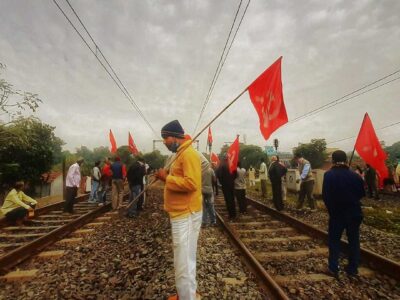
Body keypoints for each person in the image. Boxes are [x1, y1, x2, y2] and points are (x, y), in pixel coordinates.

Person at [154, 120, 202, 300]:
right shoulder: (180, 153)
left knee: (183, 261)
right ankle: (186, 294)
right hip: (181, 212)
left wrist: (166, 178)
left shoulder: (188, 154)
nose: (165, 142)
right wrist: (165, 177)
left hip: (186, 214)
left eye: (165, 138)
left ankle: (187, 297)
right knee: (185, 258)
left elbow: (191, 184)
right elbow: (181, 178)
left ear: (174, 137)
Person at [322, 150, 365, 277]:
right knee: (354, 241)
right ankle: (353, 269)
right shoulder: (355, 176)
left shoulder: (328, 175)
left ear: (333, 161)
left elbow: (326, 196)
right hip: (354, 213)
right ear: (346, 160)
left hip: (337, 214)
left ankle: (333, 268)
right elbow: (361, 194)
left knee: (334, 241)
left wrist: (331, 209)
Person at [201, 156, 217, 227]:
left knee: (203, 206)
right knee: (211, 205)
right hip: (209, 190)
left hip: (202, 190)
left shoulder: (200, 170)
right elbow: (214, 180)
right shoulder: (211, 170)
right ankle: (213, 221)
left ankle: (204, 222)